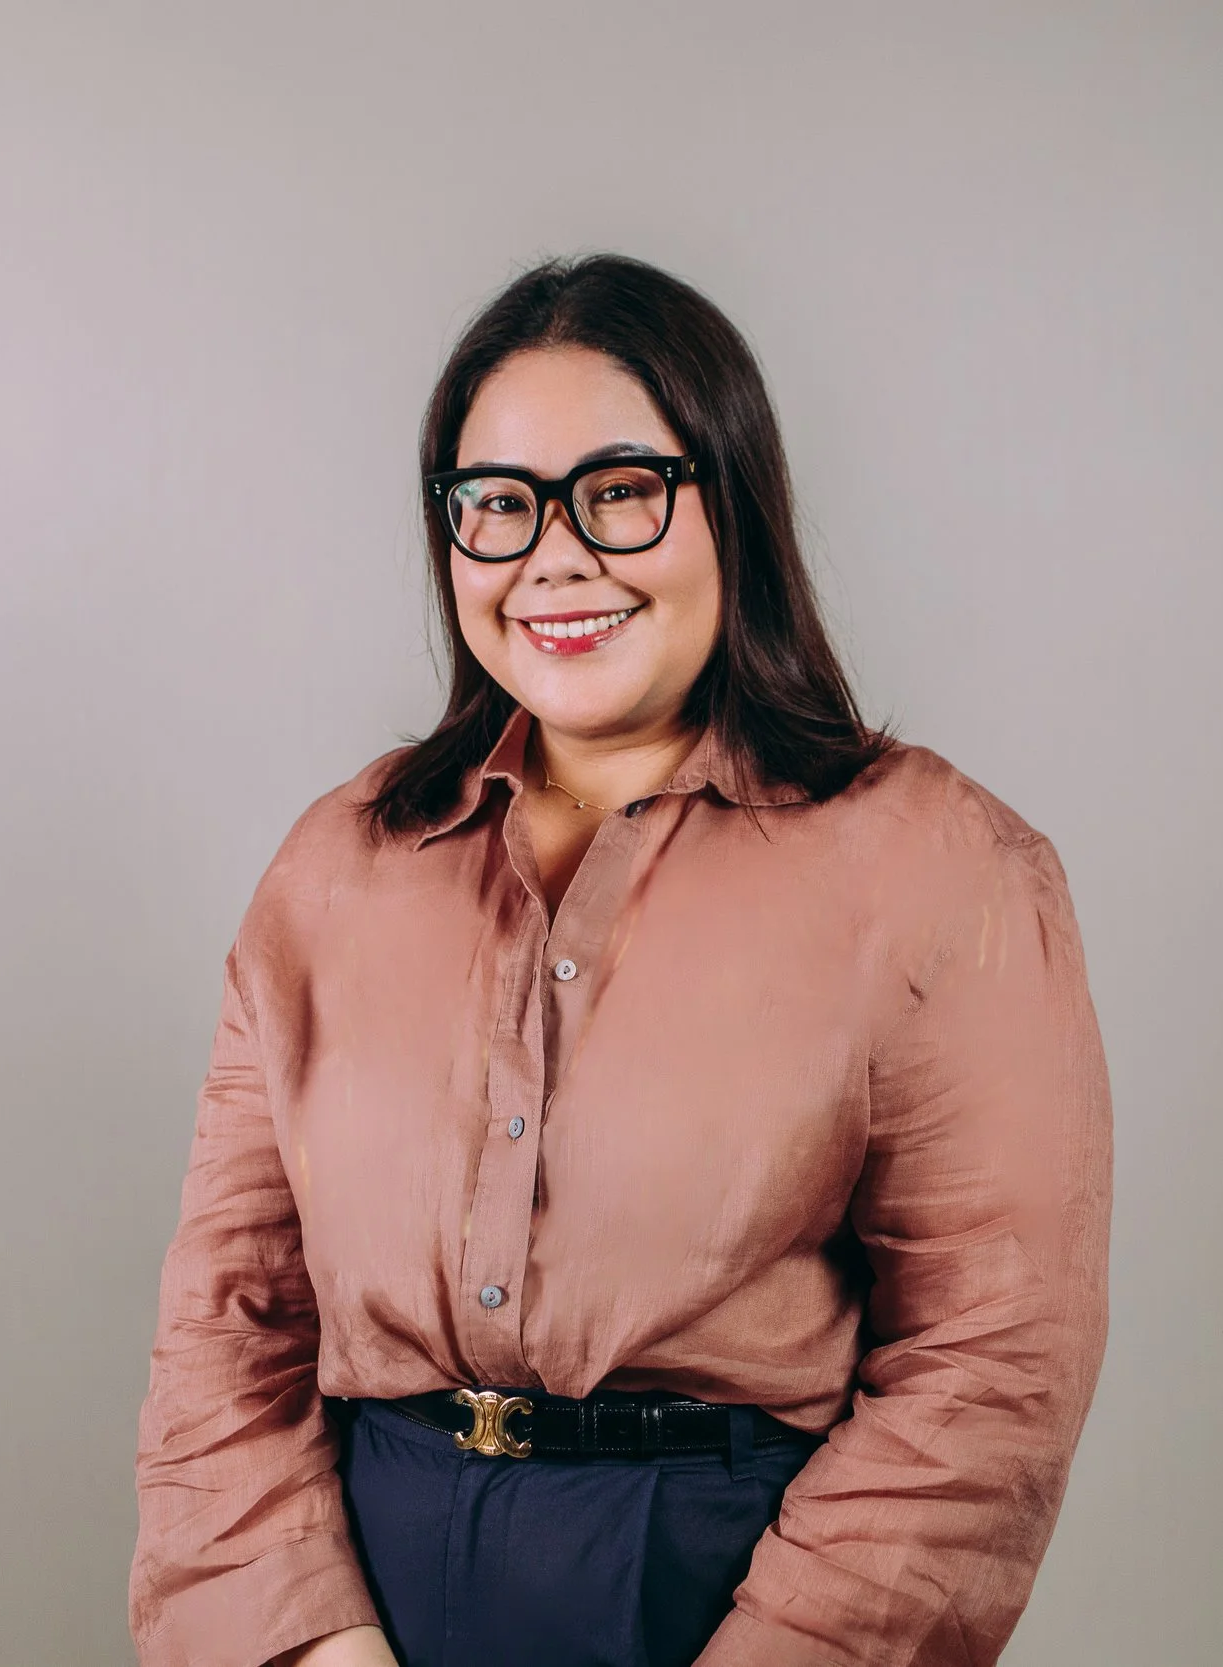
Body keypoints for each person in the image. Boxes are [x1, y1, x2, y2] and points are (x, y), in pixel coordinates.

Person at [130, 253, 1113, 1667]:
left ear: (733, 498)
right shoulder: (335, 867)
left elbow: (991, 1365)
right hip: (361, 1595)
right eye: (498, 505)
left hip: (732, 1596)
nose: (554, 557)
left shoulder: (937, 868)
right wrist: (311, 1650)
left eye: (621, 490)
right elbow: (231, 1320)